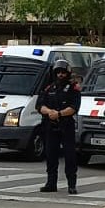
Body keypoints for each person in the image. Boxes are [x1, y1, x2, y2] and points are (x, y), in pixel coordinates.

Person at [36, 59, 80, 194]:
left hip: (66, 126)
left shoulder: (73, 88)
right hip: (50, 126)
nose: (60, 75)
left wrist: (59, 114)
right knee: (50, 155)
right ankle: (51, 183)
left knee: (70, 155)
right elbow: (39, 105)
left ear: (68, 73)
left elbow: (74, 107)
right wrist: (49, 112)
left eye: (63, 72)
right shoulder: (49, 88)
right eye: (58, 72)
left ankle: (71, 185)